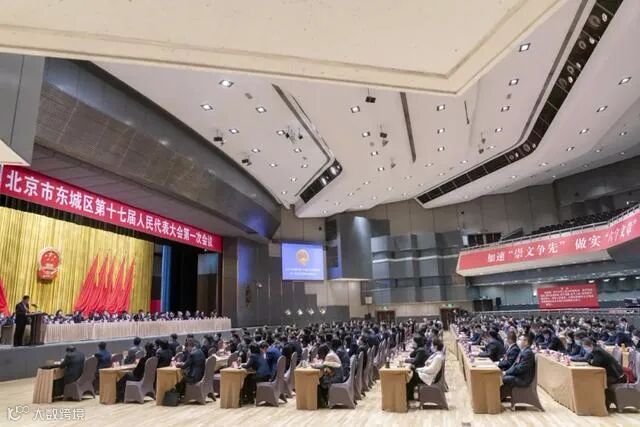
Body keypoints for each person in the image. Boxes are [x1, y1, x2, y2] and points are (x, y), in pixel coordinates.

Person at [582, 338, 626, 408]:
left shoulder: (598, 351)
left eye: (585, 347)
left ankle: (604, 404)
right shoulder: (595, 350)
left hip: (616, 376)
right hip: (610, 373)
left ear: (591, 346)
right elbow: (589, 360)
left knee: (599, 383)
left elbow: (595, 363)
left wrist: (590, 361)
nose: (585, 349)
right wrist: (590, 361)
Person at [406, 337, 445, 402]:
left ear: (435, 346)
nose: (431, 347)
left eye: (432, 345)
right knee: (411, 375)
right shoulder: (436, 355)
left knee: (411, 376)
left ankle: (408, 397)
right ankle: (409, 396)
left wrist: (419, 370)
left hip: (430, 378)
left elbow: (431, 369)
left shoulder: (438, 357)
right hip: (428, 375)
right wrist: (418, 369)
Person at [500, 333, 536, 400]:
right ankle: (500, 396)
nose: (518, 341)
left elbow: (520, 368)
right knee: (501, 377)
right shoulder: (523, 351)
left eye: (520, 339)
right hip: (520, 375)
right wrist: (506, 372)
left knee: (502, 378)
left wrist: (506, 373)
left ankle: (500, 396)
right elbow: (515, 365)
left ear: (526, 342)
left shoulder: (527, 353)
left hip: (523, 379)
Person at [316, 343, 342, 408]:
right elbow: (327, 368)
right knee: (321, 379)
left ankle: (322, 402)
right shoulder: (331, 353)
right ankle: (324, 401)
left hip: (337, 378)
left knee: (319, 381)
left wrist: (312, 365)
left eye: (320, 353)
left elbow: (322, 366)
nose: (320, 355)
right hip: (337, 375)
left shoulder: (329, 356)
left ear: (323, 352)